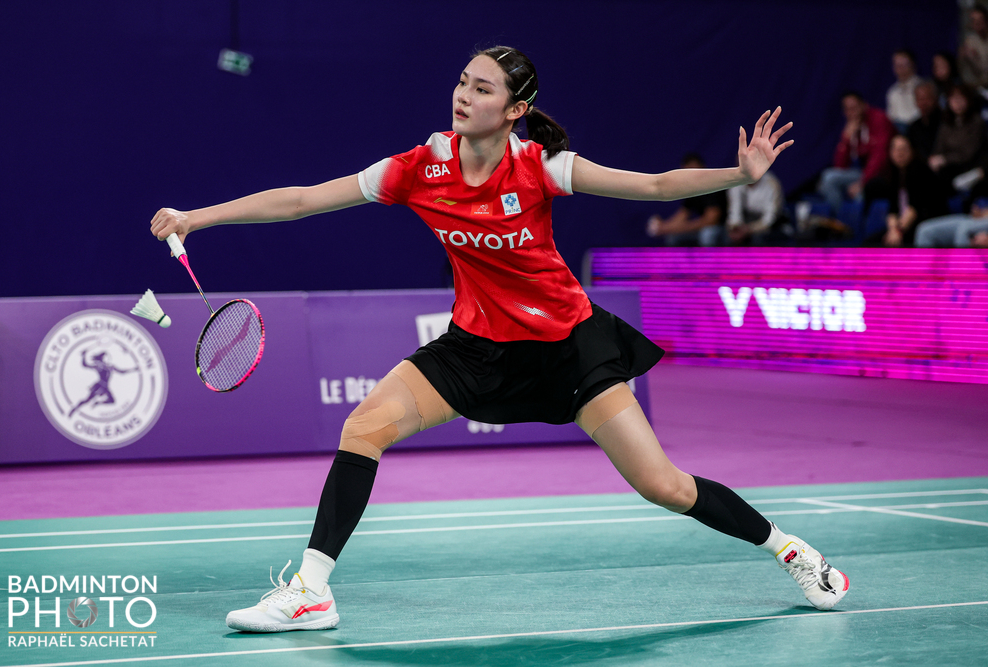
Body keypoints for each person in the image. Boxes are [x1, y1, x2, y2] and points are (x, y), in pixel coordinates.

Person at [150, 46, 849, 633]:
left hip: (569, 350)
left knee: (662, 484)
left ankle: (791, 550)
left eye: (483, 88)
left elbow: (658, 185)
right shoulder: (418, 167)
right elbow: (303, 199)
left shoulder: (541, 166)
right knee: (363, 427)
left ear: (515, 109)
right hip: (474, 348)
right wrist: (196, 217)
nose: (463, 95)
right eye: (462, 81)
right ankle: (310, 590)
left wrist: (739, 175)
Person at [817, 92, 895, 217]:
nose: (851, 113)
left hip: (883, 173)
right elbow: (840, 166)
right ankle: (841, 221)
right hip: (863, 172)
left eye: (854, 108)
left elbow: (879, 158)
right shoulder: (852, 127)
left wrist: (862, 183)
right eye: (847, 109)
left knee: (860, 192)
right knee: (828, 178)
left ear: (864, 106)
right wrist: (846, 139)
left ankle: (858, 224)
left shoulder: (879, 119)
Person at [869, 135, 948, 246]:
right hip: (904, 225)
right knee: (871, 243)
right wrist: (892, 230)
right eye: (895, 149)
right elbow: (892, 209)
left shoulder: (922, 171)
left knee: (896, 243)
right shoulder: (893, 174)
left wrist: (898, 231)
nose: (899, 153)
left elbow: (914, 209)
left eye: (903, 149)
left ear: (912, 151)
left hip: (925, 224)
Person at [646, 153, 727, 246]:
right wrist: (664, 226)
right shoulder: (691, 188)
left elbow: (711, 220)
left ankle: (711, 256)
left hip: (723, 228)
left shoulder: (713, 186)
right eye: (688, 172)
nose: (692, 175)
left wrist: (673, 228)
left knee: (707, 234)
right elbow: (682, 215)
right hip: (702, 229)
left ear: (703, 168)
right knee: (673, 237)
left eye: (695, 171)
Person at [928, 84, 986, 191]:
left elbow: (968, 154)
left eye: (961, 98)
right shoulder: (946, 123)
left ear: (968, 99)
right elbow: (938, 148)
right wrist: (935, 159)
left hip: (970, 167)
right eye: (953, 98)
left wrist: (944, 159)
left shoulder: (977, 122)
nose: (957, 102)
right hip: (950, 168)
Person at [726, 168, 785, 245]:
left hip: (771, 225)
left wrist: (749, 229)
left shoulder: (771, 183)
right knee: (728, 236)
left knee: (758, 238)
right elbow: (734, 212)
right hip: (745, 221)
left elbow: (769, 219)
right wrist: (736, 227)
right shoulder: (735, 182)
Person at [885, 49, 922, 132]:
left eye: (903, 64)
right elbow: (892, 118)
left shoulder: (923, 87)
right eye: (897, 65)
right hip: (900, 131)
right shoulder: (892, 92)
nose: (900, 68)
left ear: (912, 64)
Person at [906, 80, 942, 163]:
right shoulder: (914, 128)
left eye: (927, 99)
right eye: (920, 99)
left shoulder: (947, 122)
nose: (923, 103)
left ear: (936, 99)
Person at [959, 5, 988, 90]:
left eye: (980, 19)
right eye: (973, 20)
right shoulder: (969, 42)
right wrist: (967, 58)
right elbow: (966, 72)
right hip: (977, 87)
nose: (977, 22)